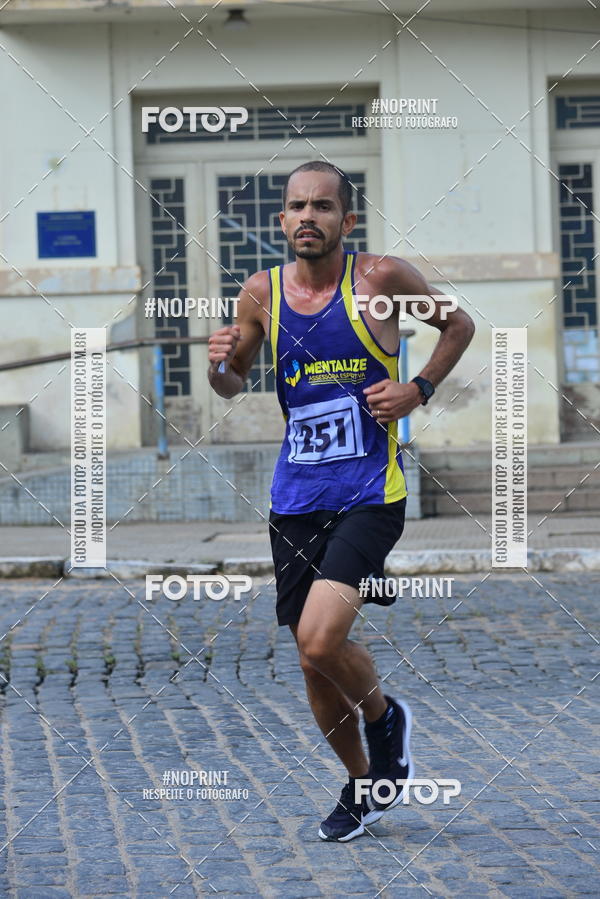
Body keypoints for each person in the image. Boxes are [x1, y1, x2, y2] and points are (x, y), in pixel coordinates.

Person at [208, 160, 475, 841]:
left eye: (323, 206)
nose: (308, 216)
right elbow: (230, 383)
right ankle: (364, 783)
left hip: (368, 492)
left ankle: (387, 718)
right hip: (295, 496)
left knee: (321, 635)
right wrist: (222, 361)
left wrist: (418, 388)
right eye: (297, 205)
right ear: (281, 220)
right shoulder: (259, 294)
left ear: (345, 221)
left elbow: (459, 325)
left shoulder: (380, 280)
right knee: (309, 656)